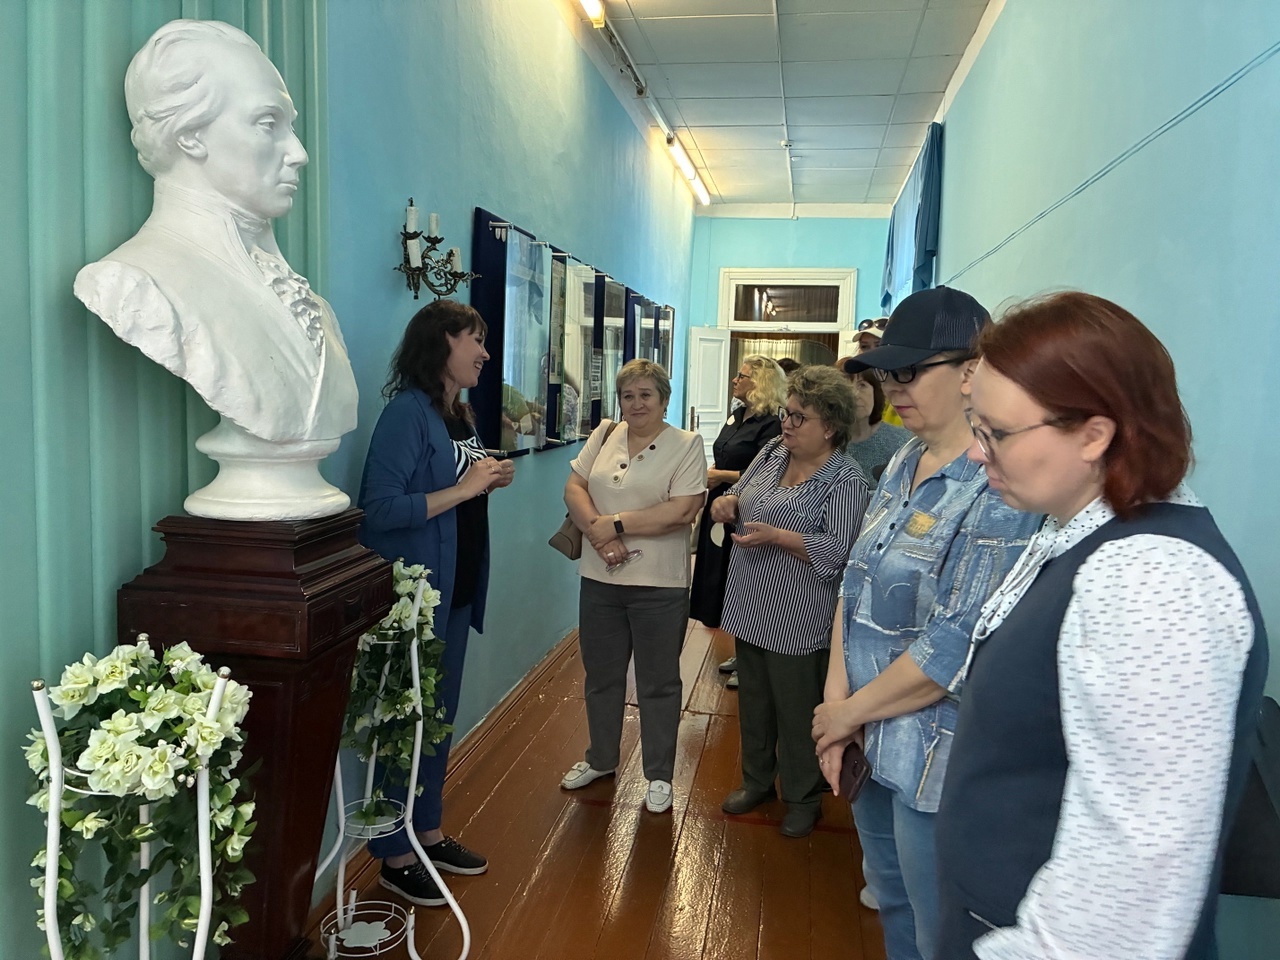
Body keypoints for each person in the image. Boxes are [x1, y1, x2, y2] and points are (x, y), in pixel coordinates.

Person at [935, 292, 1269, 960]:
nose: (976, 453)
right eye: (976, 426)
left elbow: (1134, 882)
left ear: (1094, 434)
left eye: (996, 433)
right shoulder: (1082, 532)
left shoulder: (1152, 581)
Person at [812, 286, 1041, 960]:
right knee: (892, 905)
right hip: (868, 738)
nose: (892, 388)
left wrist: (845, 714)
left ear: (971, 371)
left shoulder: (999, 484)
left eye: (909, 371)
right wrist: (836, 703)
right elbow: (854, 583)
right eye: (887, 373)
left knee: (940, 930)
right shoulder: (904, 461)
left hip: (934, 760)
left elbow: (954, 646)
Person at [74, 20, 357, 520]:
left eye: (290, 126)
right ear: (189, 136)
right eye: (268, 123)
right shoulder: (134, 282)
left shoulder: (316, 308)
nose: (299, 153)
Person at [357, 300, 515, 907]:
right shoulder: (406, 414)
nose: (485, 353)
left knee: (437, 721)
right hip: (417, 600)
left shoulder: (458, 414)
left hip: (457, 591)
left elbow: (459, 490)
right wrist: (467, 486)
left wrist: (488, 479)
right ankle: (395, 856)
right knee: (407, 724)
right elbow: (379, 510)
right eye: (476, 340)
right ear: (443, 342)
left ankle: (427, 831)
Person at [712, 366, 869, 837]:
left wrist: (780, 537)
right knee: (755, 704)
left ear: (831, 426)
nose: (788, 423)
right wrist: (727, 502)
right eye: (787, 412)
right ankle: (757, 781)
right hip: (749, 602)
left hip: (798, 616)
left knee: (798, 713)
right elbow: (740, 492)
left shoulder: (845, 479)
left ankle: (803, 797)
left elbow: (839, 552)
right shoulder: (773, 453)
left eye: (800, 417)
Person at [560, 359, 707, 814]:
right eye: (628, 395)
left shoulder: (687, 444)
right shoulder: (605, 434)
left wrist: (616, 524)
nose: (637, 403)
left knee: (658, 681)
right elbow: (574, 488)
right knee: (601, 676)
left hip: (659, 585)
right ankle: (600, 758)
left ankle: (659, 774)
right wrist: (601, 534)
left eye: (646, 395)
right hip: (599, 578)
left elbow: (683, 510)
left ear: (664, 399)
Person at [689, 355, 786, 688]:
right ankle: (740, 650)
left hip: (747, 509)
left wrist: (721, 475)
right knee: (721, 579)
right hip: (721, 507)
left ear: (760, 383)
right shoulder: (737, 416)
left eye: (742, 376)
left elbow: (768, 472)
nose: (735, 380)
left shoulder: (772, 424)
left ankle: (752, 661)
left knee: (744, 582)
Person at [845, 368, 911, 480]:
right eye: (846, 387)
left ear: (875, 393)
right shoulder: (824, 443)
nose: (854, 394)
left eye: (862, 385)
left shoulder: (902, 443)